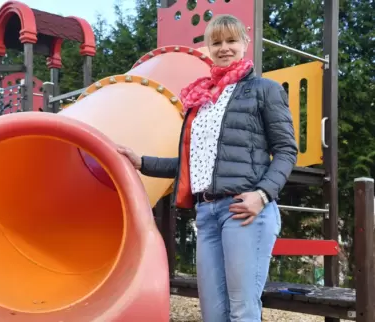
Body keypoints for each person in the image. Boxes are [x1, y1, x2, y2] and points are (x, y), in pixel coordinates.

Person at [117, 14, 298, 322]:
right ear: (208, 48)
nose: (224, 48)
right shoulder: (203, 99)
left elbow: (286, 150)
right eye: (216, 42)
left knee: (242, 311)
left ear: (245, 43)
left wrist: (263, 195)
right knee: (213, 313)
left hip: (244, 211)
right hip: (207, 214)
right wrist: (141, 162)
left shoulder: (264, 90)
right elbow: (191, 164)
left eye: (231, 41)